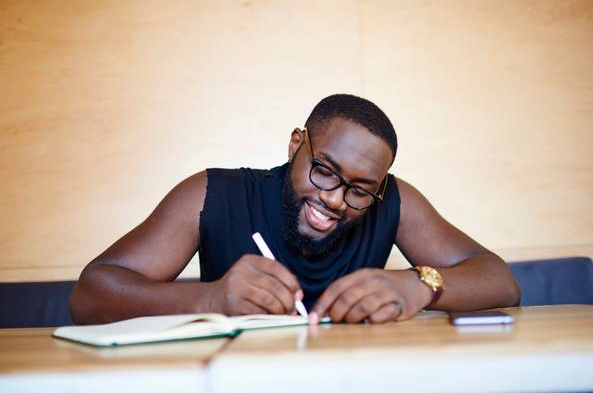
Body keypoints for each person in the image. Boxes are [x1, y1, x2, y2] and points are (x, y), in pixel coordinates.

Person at [70, 94, 520, 325]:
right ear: (295, 144)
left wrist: (418, 286)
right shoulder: (213, 194)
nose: (335, 199)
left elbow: (500, 279)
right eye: (324, 170)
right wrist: (208, 298)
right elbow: (89, 294)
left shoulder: (394, 202)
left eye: (360, 190)